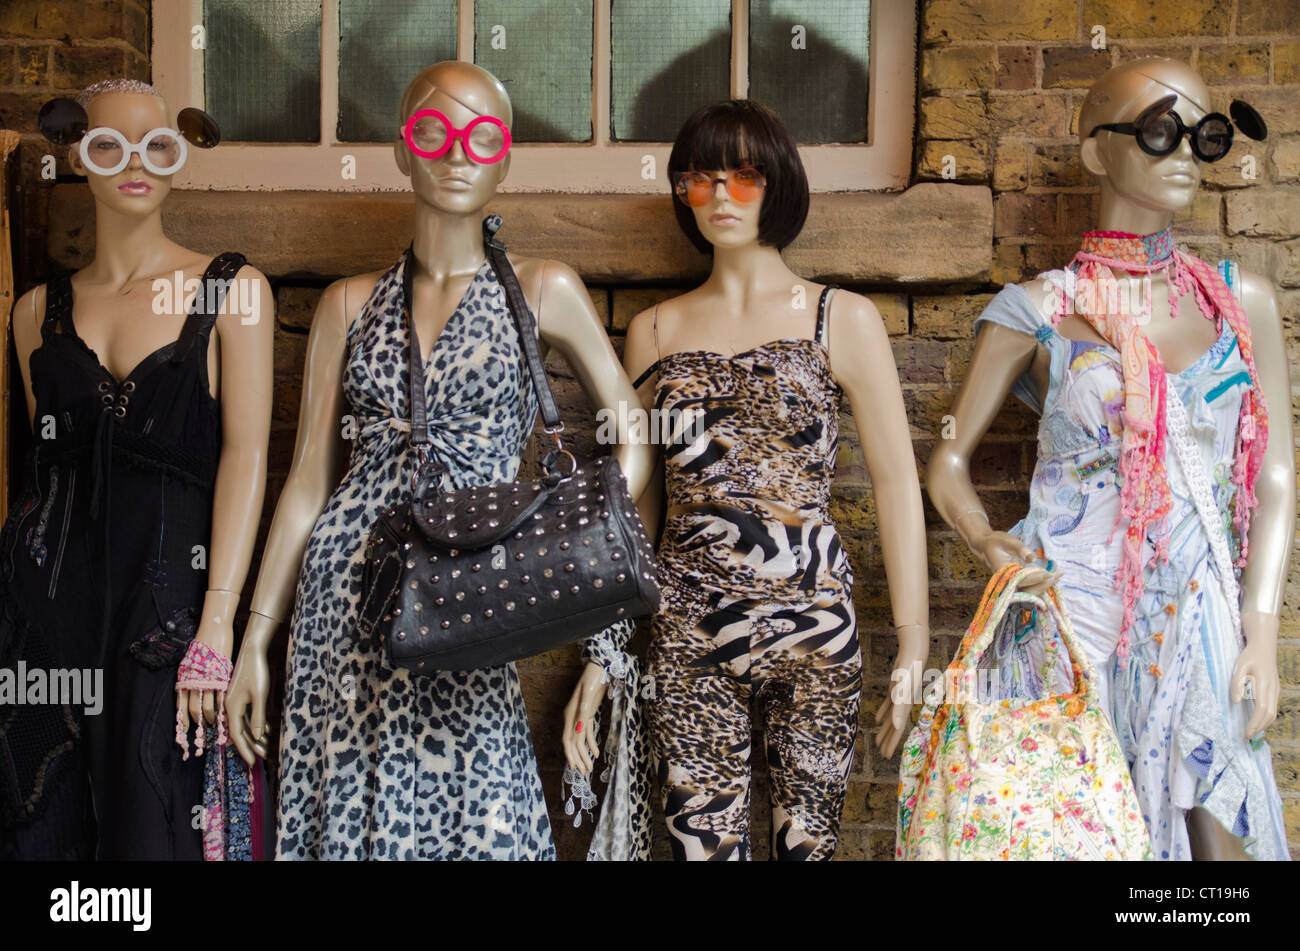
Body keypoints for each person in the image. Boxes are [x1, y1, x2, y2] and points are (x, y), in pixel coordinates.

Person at [224, 61, 654, 860]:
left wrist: (557, 536)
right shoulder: (348, 303)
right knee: (347, 813)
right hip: (345, 598)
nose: (457, 155)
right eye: (434, 133)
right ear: (400, 150)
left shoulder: (542, 288)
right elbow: (308, 483)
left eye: (481, 137)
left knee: (481, 802)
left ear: (505, 158)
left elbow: (635, 431)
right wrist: (255, 634)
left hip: (469, 591)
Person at [927, 58, 1292, 861]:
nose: (1185, 154)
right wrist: (988, 541)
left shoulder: (1239, 301)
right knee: (1068, 831)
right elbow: (947, 460)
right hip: (1070, 609)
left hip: (1198, 612)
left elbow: (1274, 478)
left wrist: (1260, 629)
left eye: (1205, 135)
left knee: (1219, 838)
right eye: (1161, 130)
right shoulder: (1038, 309)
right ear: (1098, 151)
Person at [575, 99, 930, 860]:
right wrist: (604, 655)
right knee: (698, 848)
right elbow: (633, 506)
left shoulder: (841, 319)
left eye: (745, 175)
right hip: (688, 629)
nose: (723, 195)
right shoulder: (656, 329)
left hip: (816, 626)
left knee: (809, 850)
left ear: (779, 184)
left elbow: (898, 482)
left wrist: (914, 641)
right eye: (700, 180)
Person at [0, 78, 273, 859]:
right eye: (108, 145)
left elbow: (248, 457)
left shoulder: (234, 293)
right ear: (78, 155)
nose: (135, 163)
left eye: (157, 144)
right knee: (42, 825)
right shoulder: (33, 313)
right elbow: (43, 472)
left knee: (157, 823)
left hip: (166, 617)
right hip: (41, 617)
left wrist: (218, 622)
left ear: (181, 152)